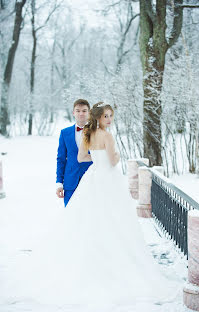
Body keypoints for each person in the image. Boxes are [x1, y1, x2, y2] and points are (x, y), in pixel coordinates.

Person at [9, 102, 182, 310]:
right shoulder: (106, 136)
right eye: (107, 116)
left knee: (89, 220)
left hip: (92, 178)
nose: (109, 120)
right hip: (106, 179)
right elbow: (113, 160)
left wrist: (96, 158)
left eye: (111, 116)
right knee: (111, 219)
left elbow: (82, 157)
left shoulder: (87, 135)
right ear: (99, 117)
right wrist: (109, 158)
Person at [56, 99, 93, 207]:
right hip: (70, 183)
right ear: (73, 112)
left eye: (84, 110)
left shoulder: (97, 132)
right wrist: (59, 183)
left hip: (91, 182)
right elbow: (61, 159)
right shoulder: (64, 133)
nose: (81, 113)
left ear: (89, 113)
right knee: (70, 217)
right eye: (78, 110)